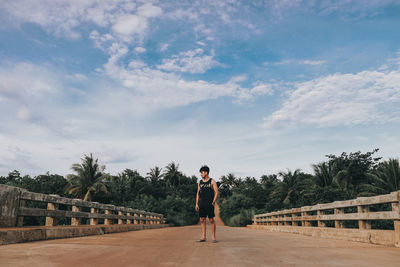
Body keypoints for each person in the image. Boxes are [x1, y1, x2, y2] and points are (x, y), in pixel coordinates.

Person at [195, 165, 219, 243]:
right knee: (202, 219)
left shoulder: (212, 181)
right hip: (202, 203)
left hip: (209, 203)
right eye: (201, 173)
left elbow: (216, 192)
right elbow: (198, 193)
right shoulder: (200, 182)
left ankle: (213, 237)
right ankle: (203, 237)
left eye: (202, 173)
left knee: (211, 220)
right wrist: (197, 204)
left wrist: (213, 202)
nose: (201, 174)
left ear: (206, 172)